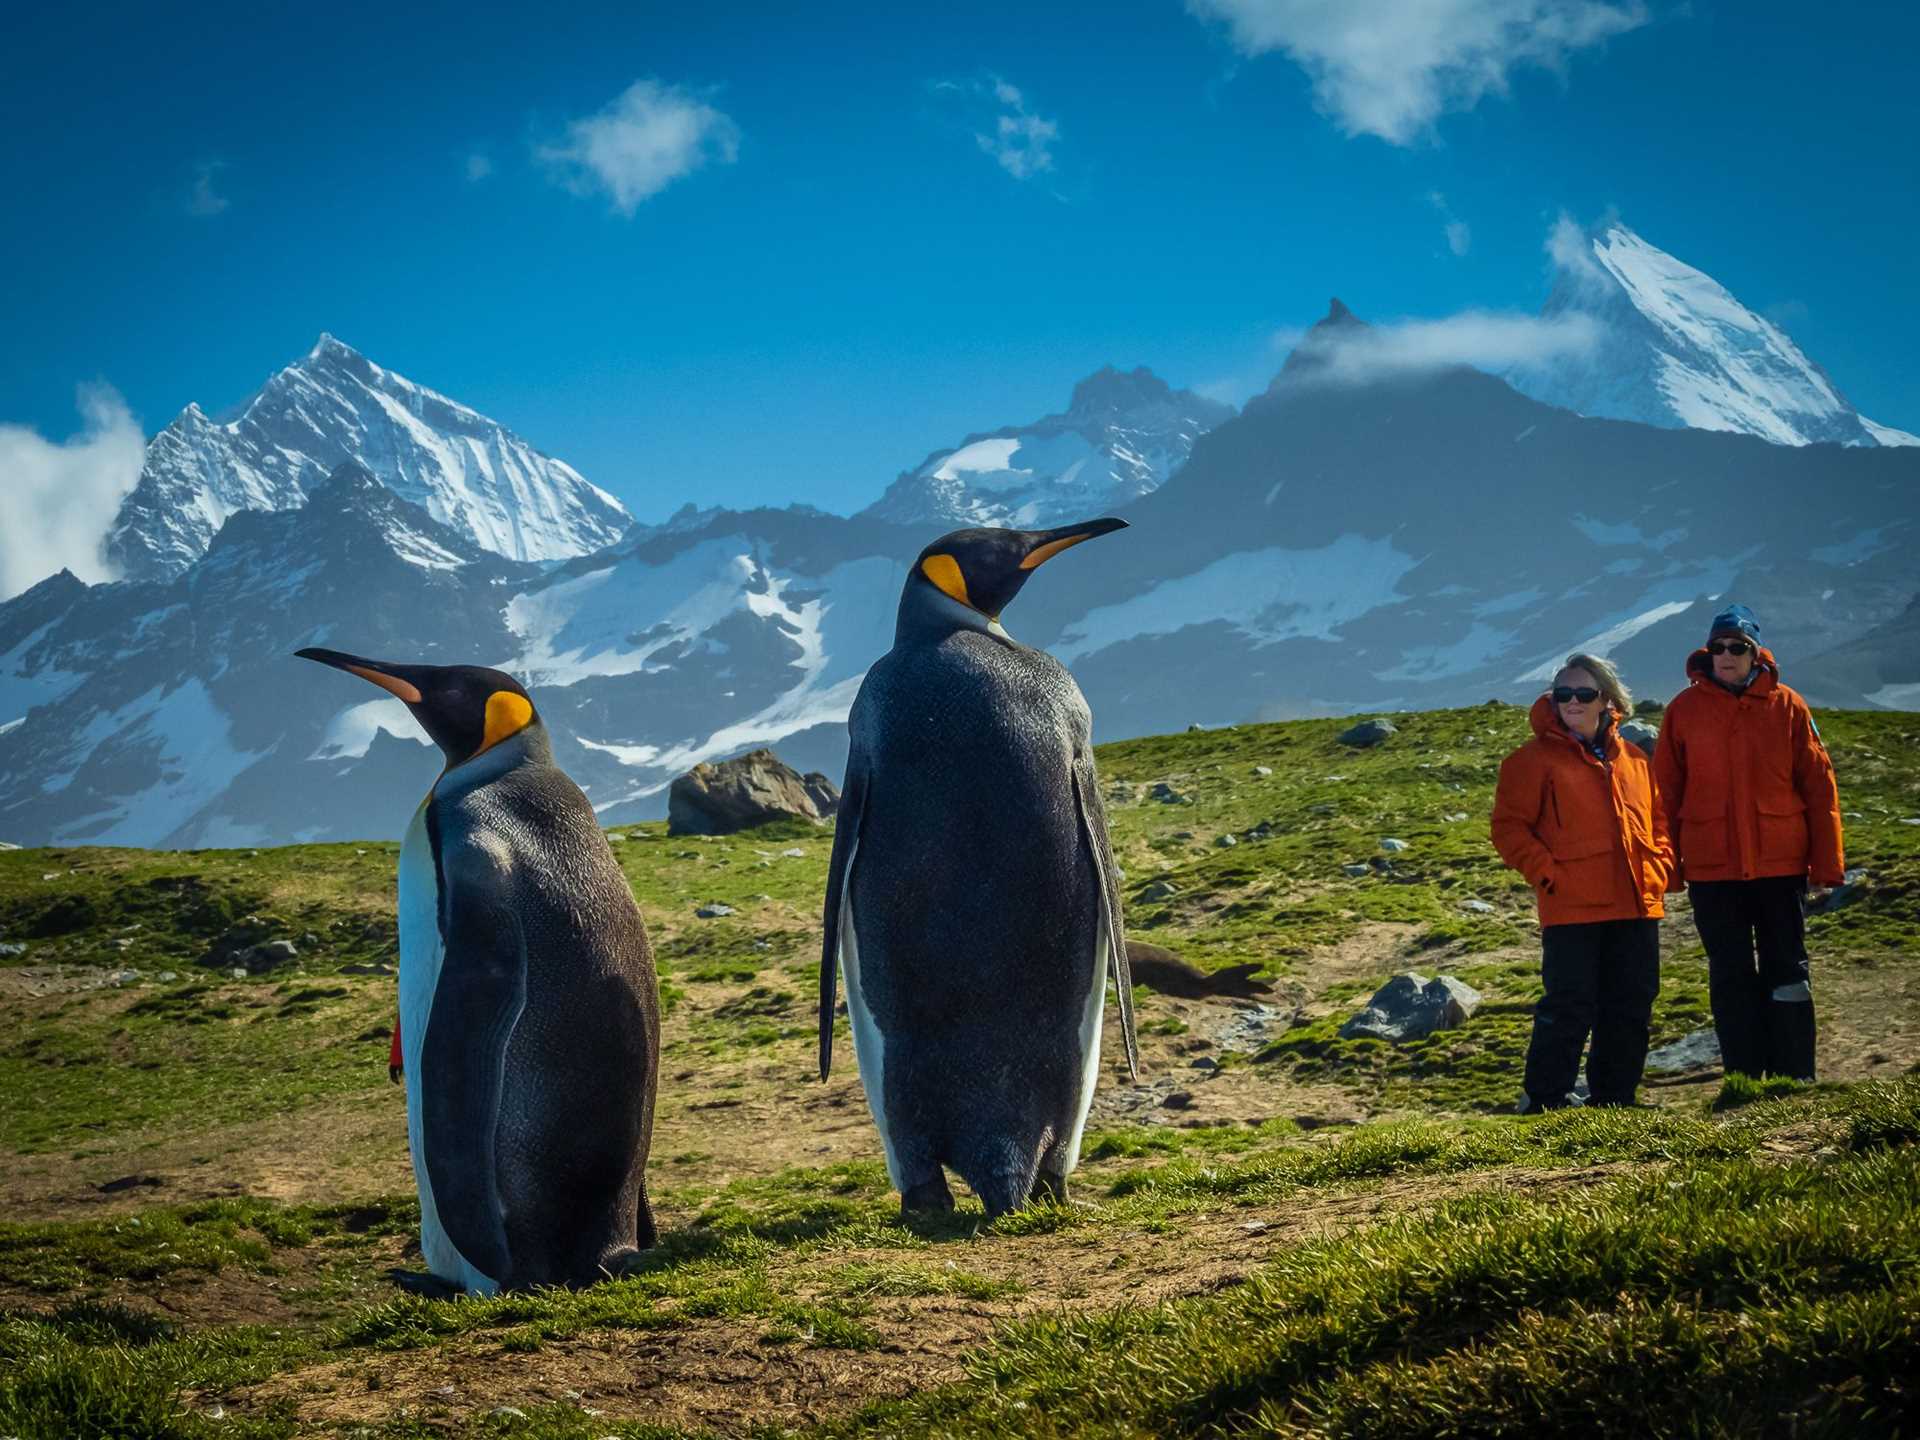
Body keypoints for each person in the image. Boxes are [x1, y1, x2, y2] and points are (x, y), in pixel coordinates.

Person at [1653, 605, 1843, 1081]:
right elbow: (1663, 795)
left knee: (1787, 967)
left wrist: (1827, 865)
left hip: (1781, 865)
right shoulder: (1683, 710)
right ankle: (1743, 1077)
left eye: (1737, 647)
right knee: (1730, 972)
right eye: (1717, 647)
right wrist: (1668, 867)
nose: (1726, 655)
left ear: (1755, 652)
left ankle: (1795, 1074)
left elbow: (1820, 788)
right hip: (1713, 870)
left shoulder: (1789, 705)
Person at [1492, 653, 1676, 1112]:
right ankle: (1544, 1103)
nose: (1572, 702)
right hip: (1572, 905)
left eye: (1583, 693)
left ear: (1607, 700)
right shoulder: (1530, 761)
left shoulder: (1634, 760)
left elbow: (1657, 823)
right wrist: (1549, 875)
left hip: (1636, 902)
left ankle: (1615, 1102)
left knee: (1631, 1004)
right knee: (1569, 1007)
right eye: (1563, 694)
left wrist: (1661, 869)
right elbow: (1509, 829)